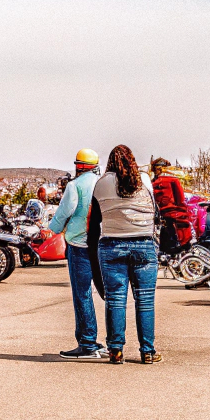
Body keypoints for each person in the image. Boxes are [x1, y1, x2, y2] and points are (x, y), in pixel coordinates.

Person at [88, 145, 160, 364]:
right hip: (144, 245)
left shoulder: (100, 184)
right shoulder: (145, 180)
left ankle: (116, 351)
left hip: (111, 246)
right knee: (145, 301)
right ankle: (147, 351)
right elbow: (155, 212)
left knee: (116, 300)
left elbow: (94, 224)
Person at [48, 148, 104, 359]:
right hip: (101, 243)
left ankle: (88, 342)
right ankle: (110, 342)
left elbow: (64, 212)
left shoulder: (75, 185)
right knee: (108, 293)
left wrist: (52, 230)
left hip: (79, 244)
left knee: (82, 294)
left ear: (78, 166)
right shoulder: (102, 184)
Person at [150, 158, 193, 252]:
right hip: (174, 218)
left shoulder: (153, 183)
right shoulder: (173, 180)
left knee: (166, 249)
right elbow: (181, 200)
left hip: (164, 219)